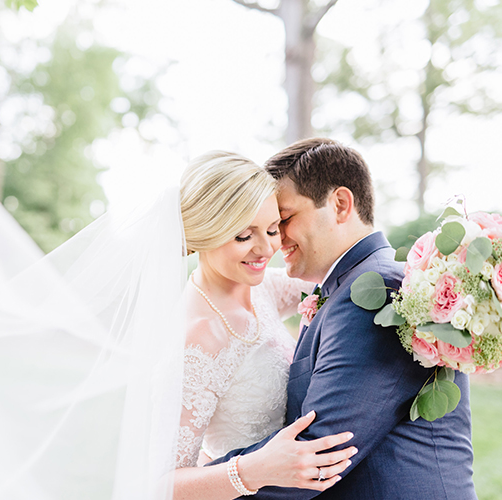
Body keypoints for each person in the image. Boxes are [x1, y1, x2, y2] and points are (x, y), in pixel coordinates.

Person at [212, 138, 477, 499]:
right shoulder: (346, 285)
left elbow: (315, 456)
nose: (275, 240)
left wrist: (186, 484)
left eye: (284, 219)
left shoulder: (376, 293)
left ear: (339, 204)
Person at [170, 151, 357, 499]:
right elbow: (160, 485)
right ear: (204, 232)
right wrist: (253, 469)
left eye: (273, 229)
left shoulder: (263, 287)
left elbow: (346, 277)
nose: (267, 248)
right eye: (244, 236)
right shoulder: (198, 335)